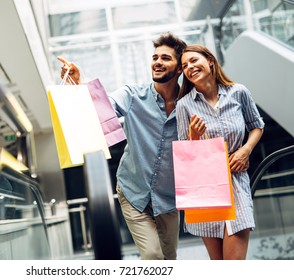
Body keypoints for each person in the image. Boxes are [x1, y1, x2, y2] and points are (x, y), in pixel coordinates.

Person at [58, 32, 187, 260]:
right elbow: (104, 106)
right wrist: (79, 83)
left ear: (179, 68)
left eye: (166, 58)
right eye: (155, 57)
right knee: (153, 256)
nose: (157, 62)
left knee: (170, 258)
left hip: (168, 198)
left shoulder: (189, 104)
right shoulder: (133, 95)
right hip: (133, 192)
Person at [176, 44, 265, 260]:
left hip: (236, 183)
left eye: (194, 61)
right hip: (206, 188)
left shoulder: (239, 92)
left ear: (210, 61)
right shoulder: (184, 106)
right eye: (184, 65)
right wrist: (195, 136)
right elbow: (185, 154)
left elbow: (257, 125)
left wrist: (246, 149)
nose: (189, 67)